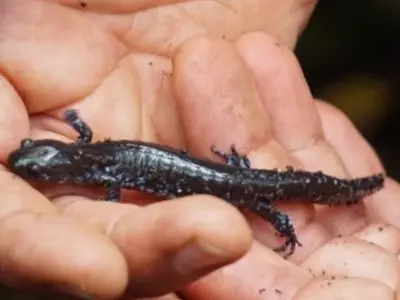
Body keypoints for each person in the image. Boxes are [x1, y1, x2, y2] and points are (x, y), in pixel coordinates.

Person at [0, 1, 399, 299]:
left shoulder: (92, 167)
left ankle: (345, 196)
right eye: (37, 164)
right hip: (231, 177)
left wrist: (97, 179)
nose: (32, 164)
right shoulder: (87, 158)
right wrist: (75, 122)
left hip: (234, 184)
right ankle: (334, 192)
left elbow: (111, 187)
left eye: (36, 165)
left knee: (257, 199)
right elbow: (97, 159)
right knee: (253, 191)